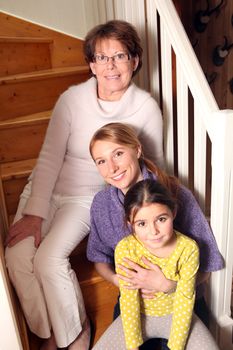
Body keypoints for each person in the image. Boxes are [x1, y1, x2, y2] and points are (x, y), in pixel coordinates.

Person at [4, 20, 164, 350]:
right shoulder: (72, 99)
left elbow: (153, 164)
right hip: (44, 188)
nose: (111, 66)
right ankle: (48, 332)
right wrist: (35, 213)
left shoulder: (145, 107)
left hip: (85, 197)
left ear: (134, 61)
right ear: (91, 64)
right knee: (17, 257)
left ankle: (76, 332)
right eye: (102, 57)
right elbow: (49, 157)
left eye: (120, 55)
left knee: (48, 260)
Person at [87, 122, 224, 348]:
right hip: (134, 305)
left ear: (137, 150)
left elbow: (207, 265)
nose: (112, 168)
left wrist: (169, 285)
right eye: (101, 161)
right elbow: (99, 257)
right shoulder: (101, 204)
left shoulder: (177, 194)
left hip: (182, 300)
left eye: (118, 154)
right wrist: (119, 281)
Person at [92, 178, 220, 350]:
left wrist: (176, 347)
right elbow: (128, 300)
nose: (154, 232)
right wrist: (132, 346)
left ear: (173, 213)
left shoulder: (188, 248)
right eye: (142, 224)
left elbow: (185, 300)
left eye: (161, 219)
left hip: (177, 314)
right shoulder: (126, 248)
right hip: (139, 315)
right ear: (130, 224)